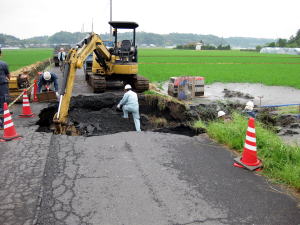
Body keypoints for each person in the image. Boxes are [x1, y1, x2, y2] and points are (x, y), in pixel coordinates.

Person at [0, 49, 10, 130]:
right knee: (3, 103)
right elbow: (8, 75)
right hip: (2, 85)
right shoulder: (3, 64)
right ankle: (3, 123)